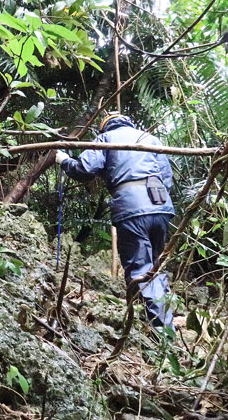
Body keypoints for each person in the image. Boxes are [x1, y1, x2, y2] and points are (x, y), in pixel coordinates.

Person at [55, 112, 175, 333]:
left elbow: (86, 170)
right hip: (161, 206)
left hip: (131, 207)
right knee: (155, 267)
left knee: (141, 269)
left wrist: (64, 161)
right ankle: (160, 321)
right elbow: (166, 177)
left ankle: (163, 336)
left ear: (104, 127)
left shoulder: (106, 139)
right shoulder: (149, 138)